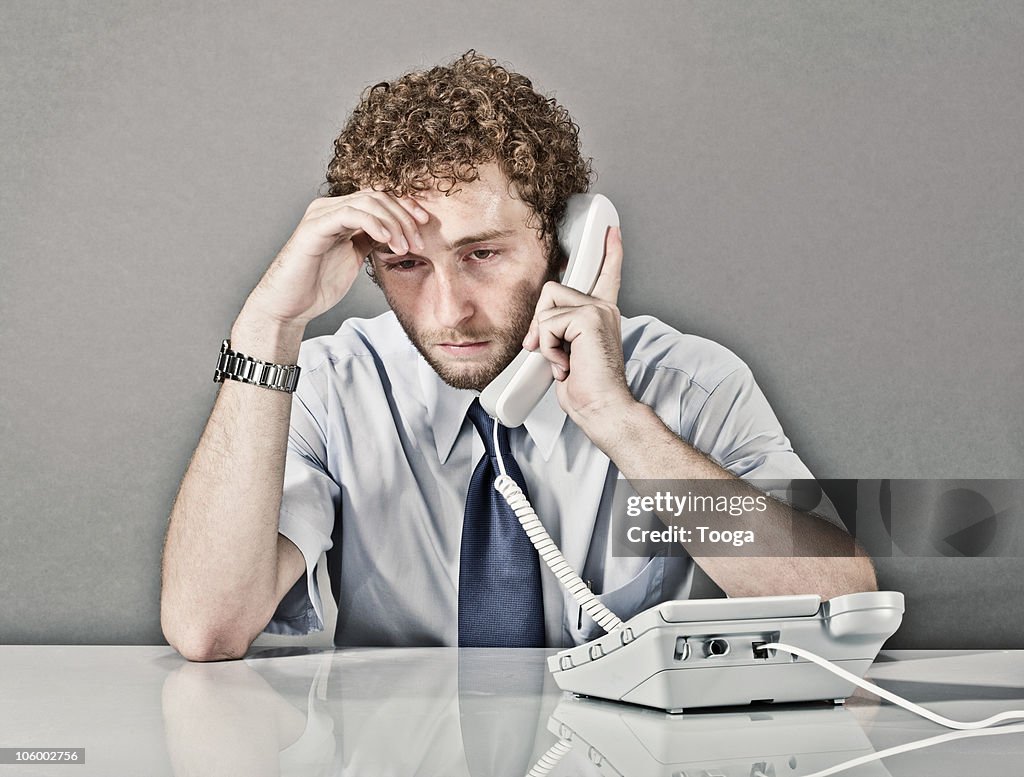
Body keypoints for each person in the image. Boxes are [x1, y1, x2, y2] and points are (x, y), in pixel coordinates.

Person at [160, 51, 876, 662]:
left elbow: (843, 614)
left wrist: (618, 421)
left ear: (566, 243)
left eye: (483, 254)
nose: (449, 310)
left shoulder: (690, 384)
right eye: (407, 265)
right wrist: (268, 326)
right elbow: (207, 626)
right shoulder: (328, 388)